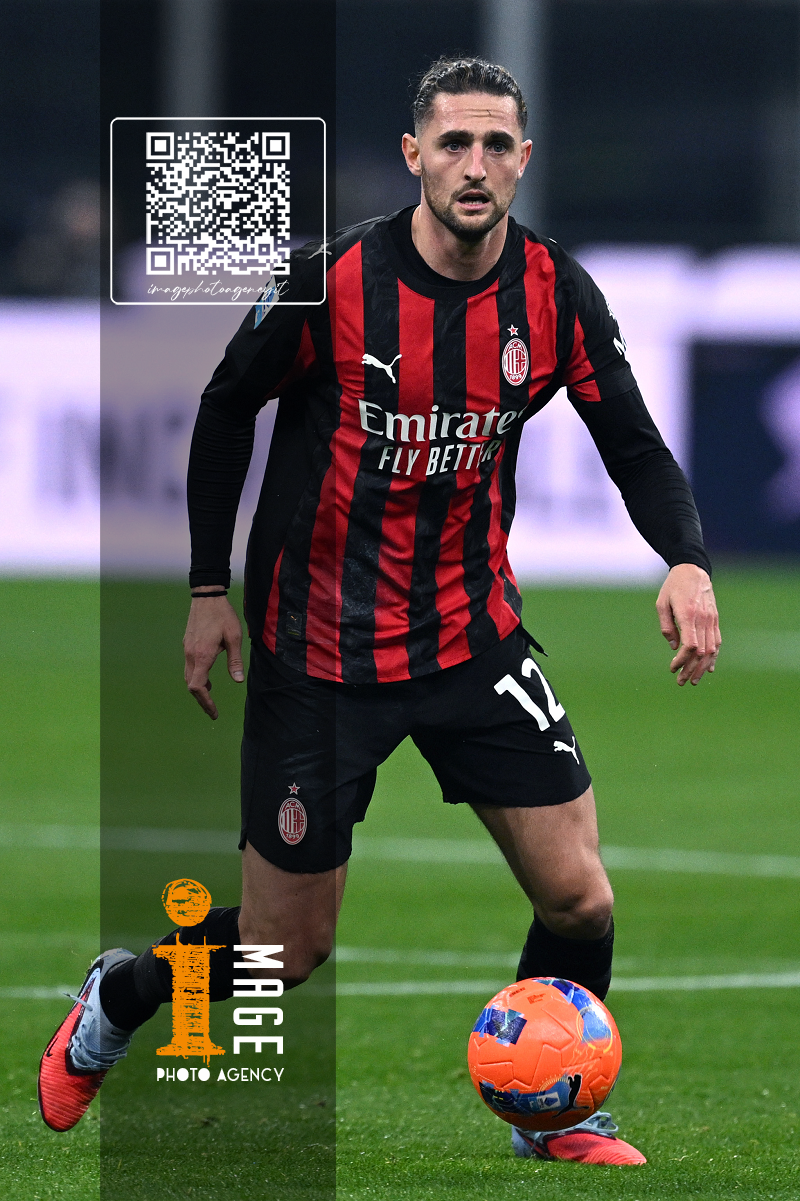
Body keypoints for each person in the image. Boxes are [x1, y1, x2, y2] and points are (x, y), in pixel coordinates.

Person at [39, 57, 720, 1163]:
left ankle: (552, 1114)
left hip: (469, 639)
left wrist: (684, 558)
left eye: (495, 145)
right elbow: (224, 411)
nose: (474, 165)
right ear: (414, 156)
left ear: (523, 160)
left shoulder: (554, 292)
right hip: (318, 656)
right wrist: (208, 590)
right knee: (284, 950)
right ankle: (121, 994)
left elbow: (633, 444)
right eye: (452, 143)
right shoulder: (332, 280)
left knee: (579, 899)